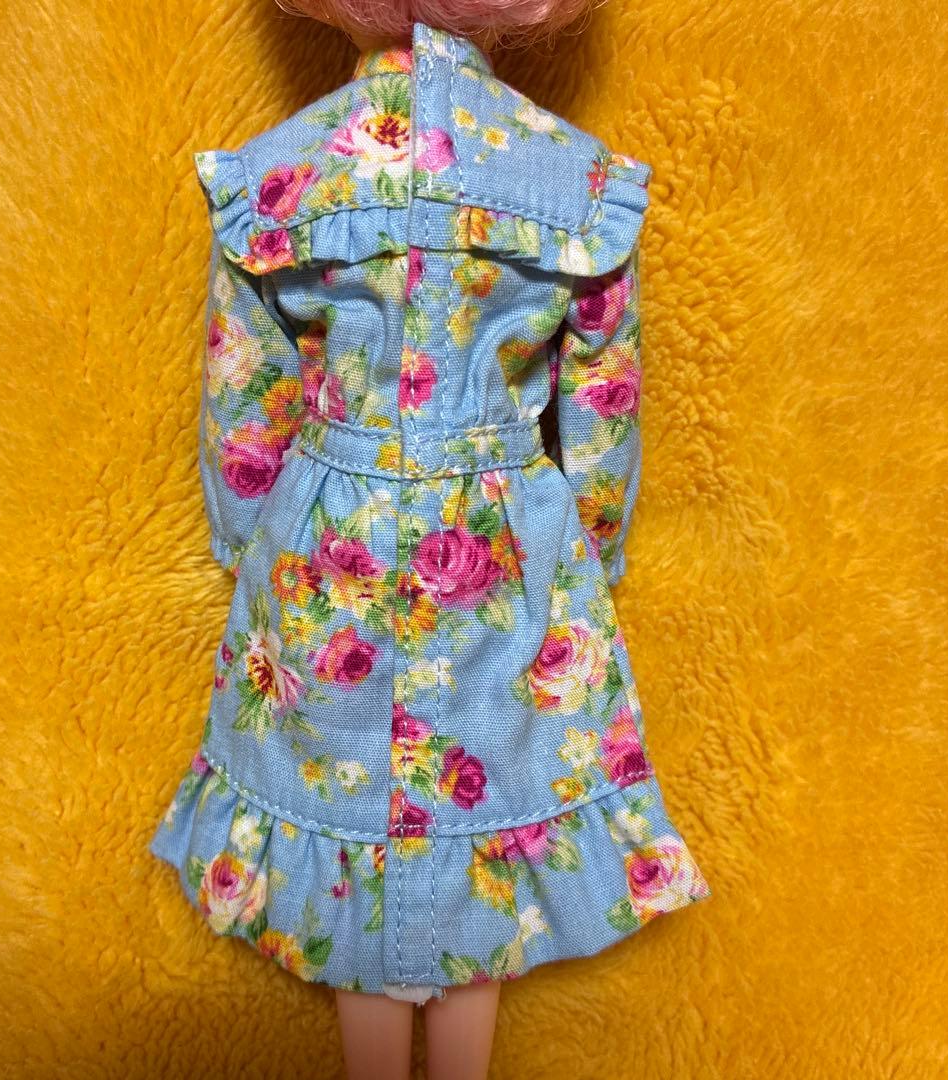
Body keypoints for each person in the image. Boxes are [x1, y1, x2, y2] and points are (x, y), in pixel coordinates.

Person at [151, 4, 710, 1078]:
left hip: (330, 538)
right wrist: (590, 549)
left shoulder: (286, 172)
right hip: (503, 541)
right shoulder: (574, 178)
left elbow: (245, 407)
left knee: (341, 795)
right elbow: (605, 412)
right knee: (483, 799)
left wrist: (250, 538)